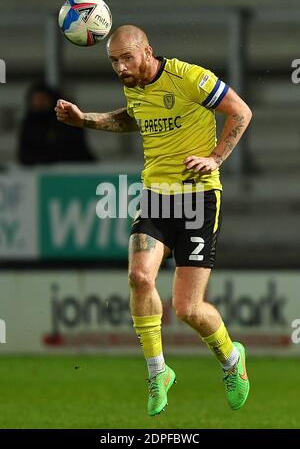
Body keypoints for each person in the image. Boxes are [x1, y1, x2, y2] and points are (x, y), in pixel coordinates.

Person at [55, 25, 252, 417]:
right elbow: (134, 118)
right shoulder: (135, 86)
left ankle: (232, 361)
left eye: (127, 58)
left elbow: (241, 111)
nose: (121, 68)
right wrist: (85, 121)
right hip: (156, 197)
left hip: (198, 198)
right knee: (140, 277)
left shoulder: (190, 77)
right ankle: (158, 372)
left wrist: (214, 158)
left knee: (187, 308)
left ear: (148, 51)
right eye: (113, 61)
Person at [18, 83, 95, 166]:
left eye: (43, 99)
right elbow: (24, 155)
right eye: (37, 100)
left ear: (51, 100)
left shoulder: (67, 119)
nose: (40, 103)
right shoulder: (29, 123)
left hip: (73, 170)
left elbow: (77, 150)